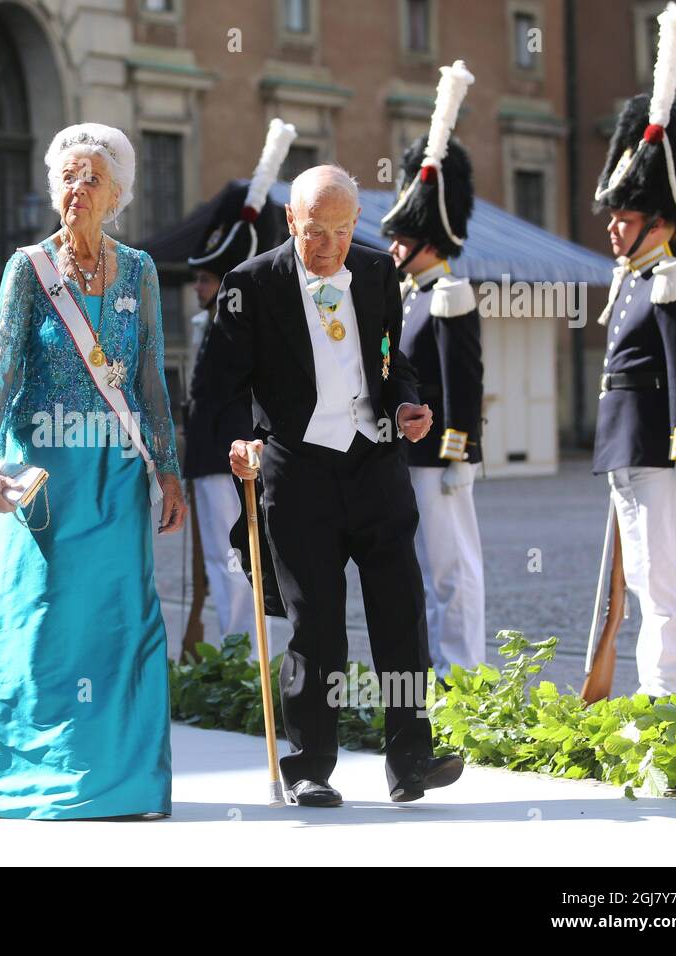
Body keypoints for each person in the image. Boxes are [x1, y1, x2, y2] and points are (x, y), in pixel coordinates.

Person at [0, 122, 186, 819]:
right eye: (67, 177)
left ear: (116, 195)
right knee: (38, 618)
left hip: (114, 479)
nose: (76, 188)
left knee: (116, 621)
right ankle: (20, 764)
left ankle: (121, 778)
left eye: (91, 179)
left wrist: (167, 471)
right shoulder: (29, 268)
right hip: (43, 479)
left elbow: (149, 380)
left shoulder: (138, 270)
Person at [206, 164, 464, 807]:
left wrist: (407, 404)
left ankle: (411, 761)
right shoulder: (250, 284)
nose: (328, 246)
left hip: (376, 468)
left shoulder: (378, 274)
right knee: (317, 625)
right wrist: (239, 441)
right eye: (315, 230)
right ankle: (310, 766)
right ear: (291, 220)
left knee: (401, 615)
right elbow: (218, 388)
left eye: (342, 231)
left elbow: (391, 362)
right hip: (299, 476)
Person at [590, 2, 676, 698]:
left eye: (625, 217)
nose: (613, 227)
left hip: (662, 451)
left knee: (667, 582)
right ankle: (658, 698)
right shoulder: (636, 277)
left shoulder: (672, 277)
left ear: (659, 220)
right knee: (644, 581)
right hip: (629, 449)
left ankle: (672, 702)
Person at [381, 60, 486, 676]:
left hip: (440, 457)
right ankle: (439, 675)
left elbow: (462, 381)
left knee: (454, 570)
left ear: (429, 237)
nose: (394, 248)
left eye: (404, 238)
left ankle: (464, 675)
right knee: (426, 569)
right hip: (409, 454)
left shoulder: (449, 294)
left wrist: (457, 454)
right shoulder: (414, 295)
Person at [184, 118, 295, 659]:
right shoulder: (215, 324)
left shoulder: (240, 322)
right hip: (209, 457)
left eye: (208, 278)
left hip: (229, 453)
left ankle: (245, 658)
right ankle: (237, 653)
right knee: (221, 564)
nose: (199, 286)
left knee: (238, 561)